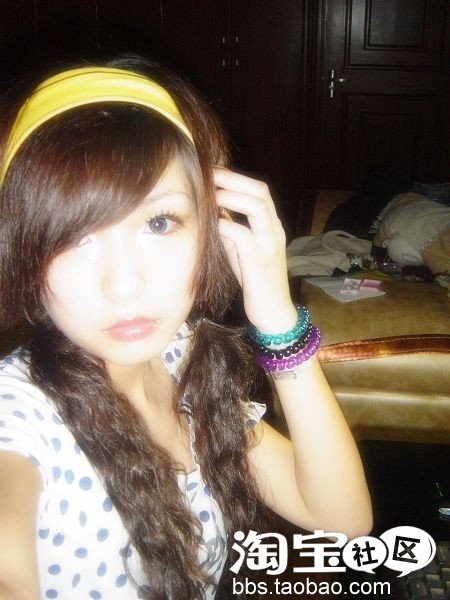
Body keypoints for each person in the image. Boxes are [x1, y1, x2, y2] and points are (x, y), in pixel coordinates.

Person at [0, 55, 372, 600]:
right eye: (74, 238)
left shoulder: (181, 357)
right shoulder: (19, 416)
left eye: (158, 222)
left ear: (212, 226)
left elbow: (341, 518)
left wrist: (277, 316)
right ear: (25, 253)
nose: (124, 286)